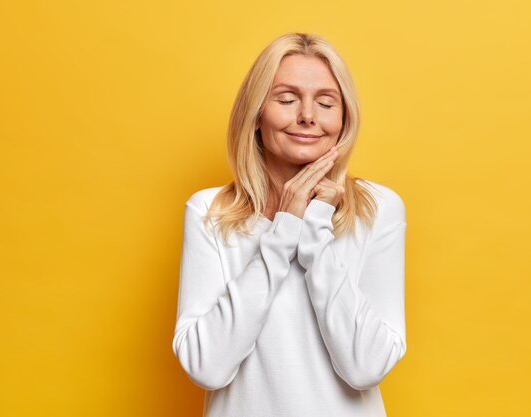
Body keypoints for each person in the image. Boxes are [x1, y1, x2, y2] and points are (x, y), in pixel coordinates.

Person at [172, 32, 407, 417]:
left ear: (344, 118)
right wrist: (283, 230)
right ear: (256, 114)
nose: (308, 116)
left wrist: (314, 230)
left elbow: (365, 366)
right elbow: (207, 366)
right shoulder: (209, 212)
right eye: (286, 99)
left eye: (326, 102)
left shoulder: (378, 209)